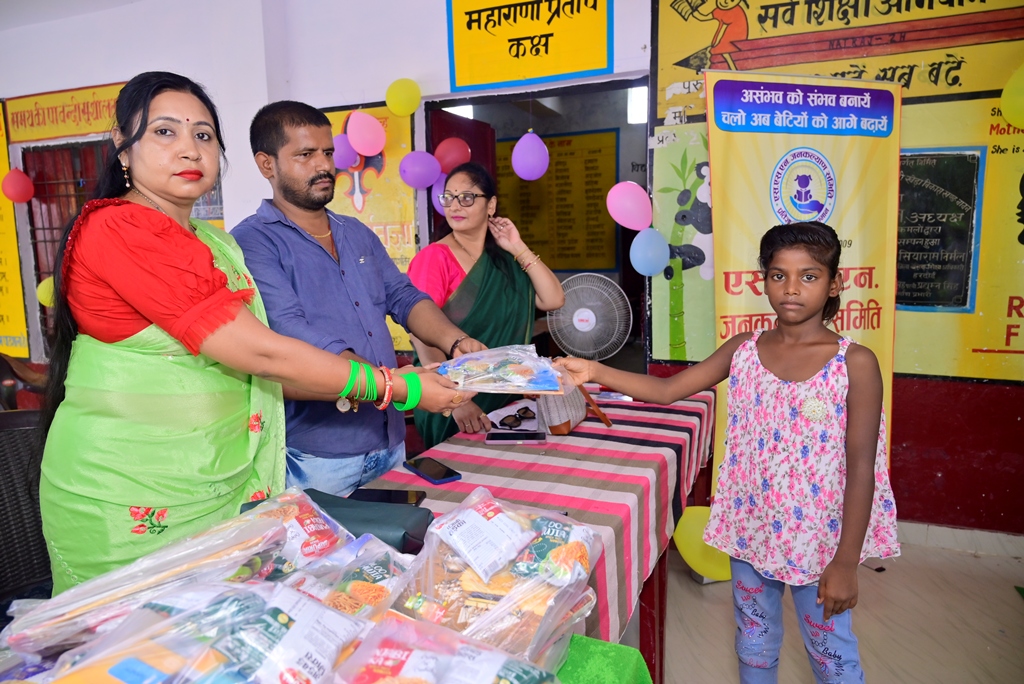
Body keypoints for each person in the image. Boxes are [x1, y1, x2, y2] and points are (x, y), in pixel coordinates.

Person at [39, 73, 463, 593]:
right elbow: (261, 352)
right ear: (122, 145)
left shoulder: (212, 242)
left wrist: (446, 350)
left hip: (217, 473)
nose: (189, 149)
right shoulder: (121, 228)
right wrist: (400, 386)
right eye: (165, 132)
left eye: (203, 135)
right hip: (135, 487)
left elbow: (397, 298)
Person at [556, 222, 899, 683]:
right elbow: (668, 390)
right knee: (754, 642)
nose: (791, 288)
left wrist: (845, 563)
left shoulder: (854, 363)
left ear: (834, 283)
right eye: (778, 275)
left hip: (819, 540)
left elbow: (861, 469)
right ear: (764, 281)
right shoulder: (744, 349)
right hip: (750, 527)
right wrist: (595, 370)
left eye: (809, 276)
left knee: (831, 655)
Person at [232, 101, 485, 496]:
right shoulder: (253, 241)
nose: (324, 165)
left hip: (388, 439)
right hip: (318, 453)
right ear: (267, 164)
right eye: (305, 155)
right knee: (324, 541)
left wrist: (456, 341)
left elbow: (403, 297)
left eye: (327, 152)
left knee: (396, 536)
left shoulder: (355, 232)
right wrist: (400, 386)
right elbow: (292, 333)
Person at [407, 162, 565, 447]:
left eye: (467, 197)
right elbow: (420, 333)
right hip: (450, 400)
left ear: (490, 205)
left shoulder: (504, 262)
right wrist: (456, 399)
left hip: (505, 396)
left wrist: (518, 247)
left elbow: (553, 299)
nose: (455, 206)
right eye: (448, 197)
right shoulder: (434, 258)